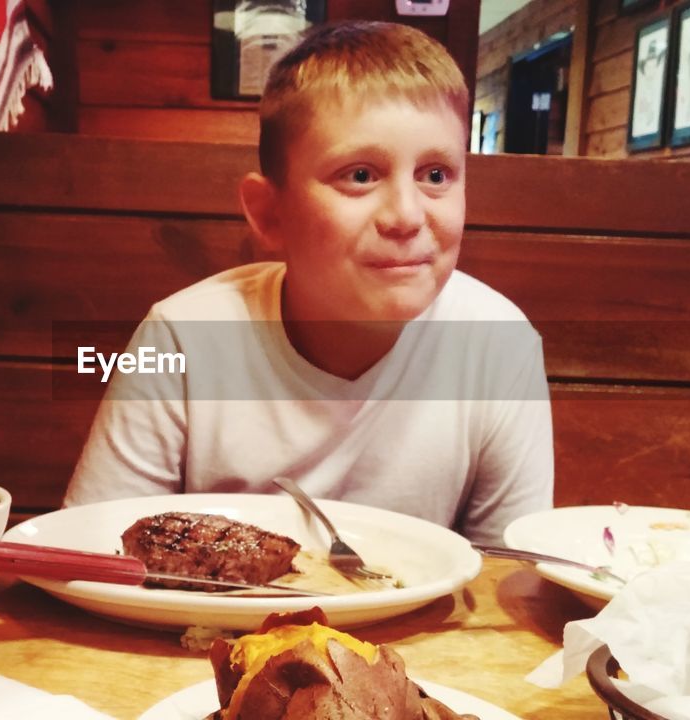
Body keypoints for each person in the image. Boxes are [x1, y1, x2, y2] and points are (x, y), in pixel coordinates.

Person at [63, 21, 554, 545]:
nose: (406, 216)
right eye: (360, 175)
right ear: (271, 214)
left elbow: (509, 574)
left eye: (435, 175)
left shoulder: (499, 342)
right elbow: (96, 550)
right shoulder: (179, 337)